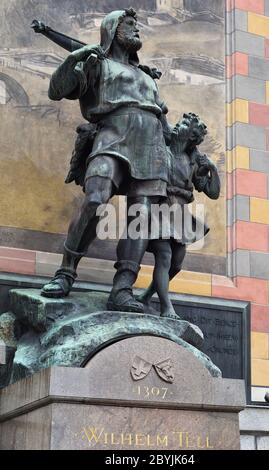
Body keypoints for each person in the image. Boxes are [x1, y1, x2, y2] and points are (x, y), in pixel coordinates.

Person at [41, 9, 171, 313]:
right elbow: (56, 90)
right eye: (130, 25)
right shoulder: (98, 63)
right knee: (95, 200)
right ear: (112, 29)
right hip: (112, 135)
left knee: (141, 217)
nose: (137, 30)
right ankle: (65, 273)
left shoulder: (147, 76)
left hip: (151, 145)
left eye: (137, 25)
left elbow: (162, 116)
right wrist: (77, 57)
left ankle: (122, 289)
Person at [136, 113, 220, 319]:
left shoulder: (193, 161)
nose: (177, 126)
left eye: (183, 125)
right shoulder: (160, 150)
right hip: (159, 210)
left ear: (191, 136)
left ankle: (146, 296)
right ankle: (167, 308)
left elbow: (213, 192)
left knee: (176, 265)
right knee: (164, 257)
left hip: (180, 214)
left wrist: (213, 169)